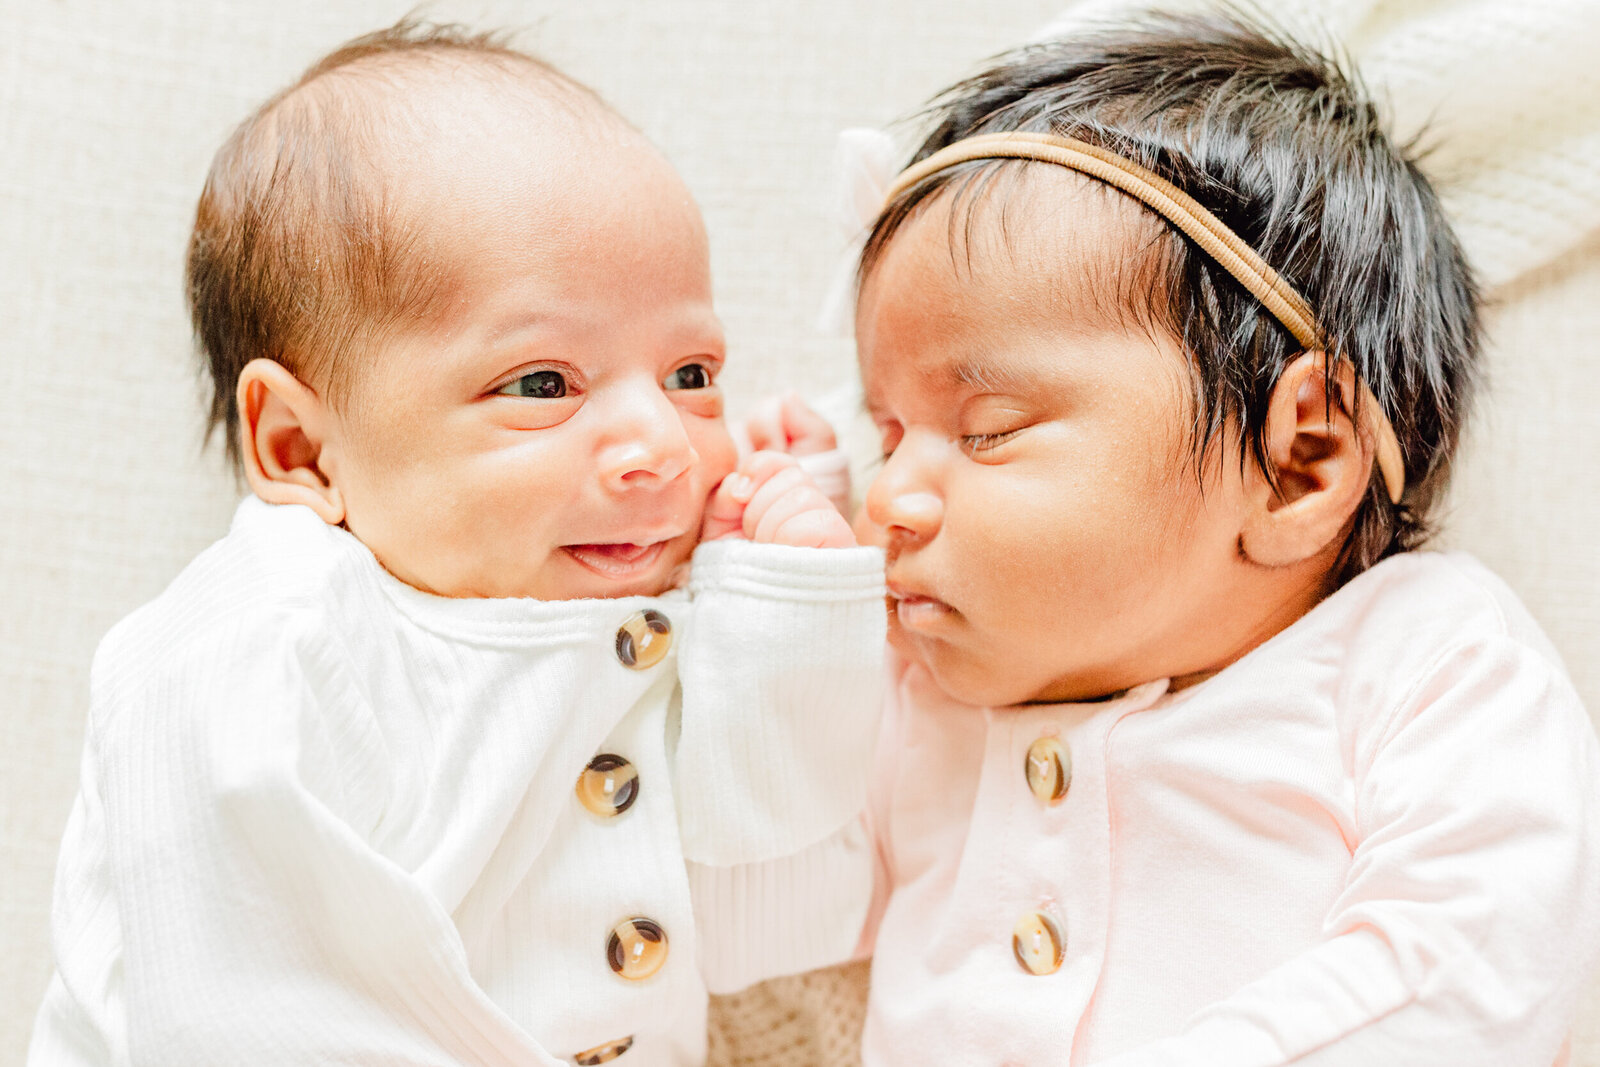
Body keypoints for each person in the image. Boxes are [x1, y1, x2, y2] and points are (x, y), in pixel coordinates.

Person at [28, 20, 883, 1067]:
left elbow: (786, 929)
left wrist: (779, 612)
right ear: (301, 448)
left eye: (691, 374)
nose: (661, 445)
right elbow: (246, 1017)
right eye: (541, 384)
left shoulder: (653, 624)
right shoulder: (253, 647)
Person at [831, 10, 1600, 1066]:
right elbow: (754, 913)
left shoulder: (1429, 662)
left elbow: (1473, 973)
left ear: (1301, 462)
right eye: (884, 438)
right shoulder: (920, 699)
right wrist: (771, 608)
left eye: (988, 430)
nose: (886, 503)